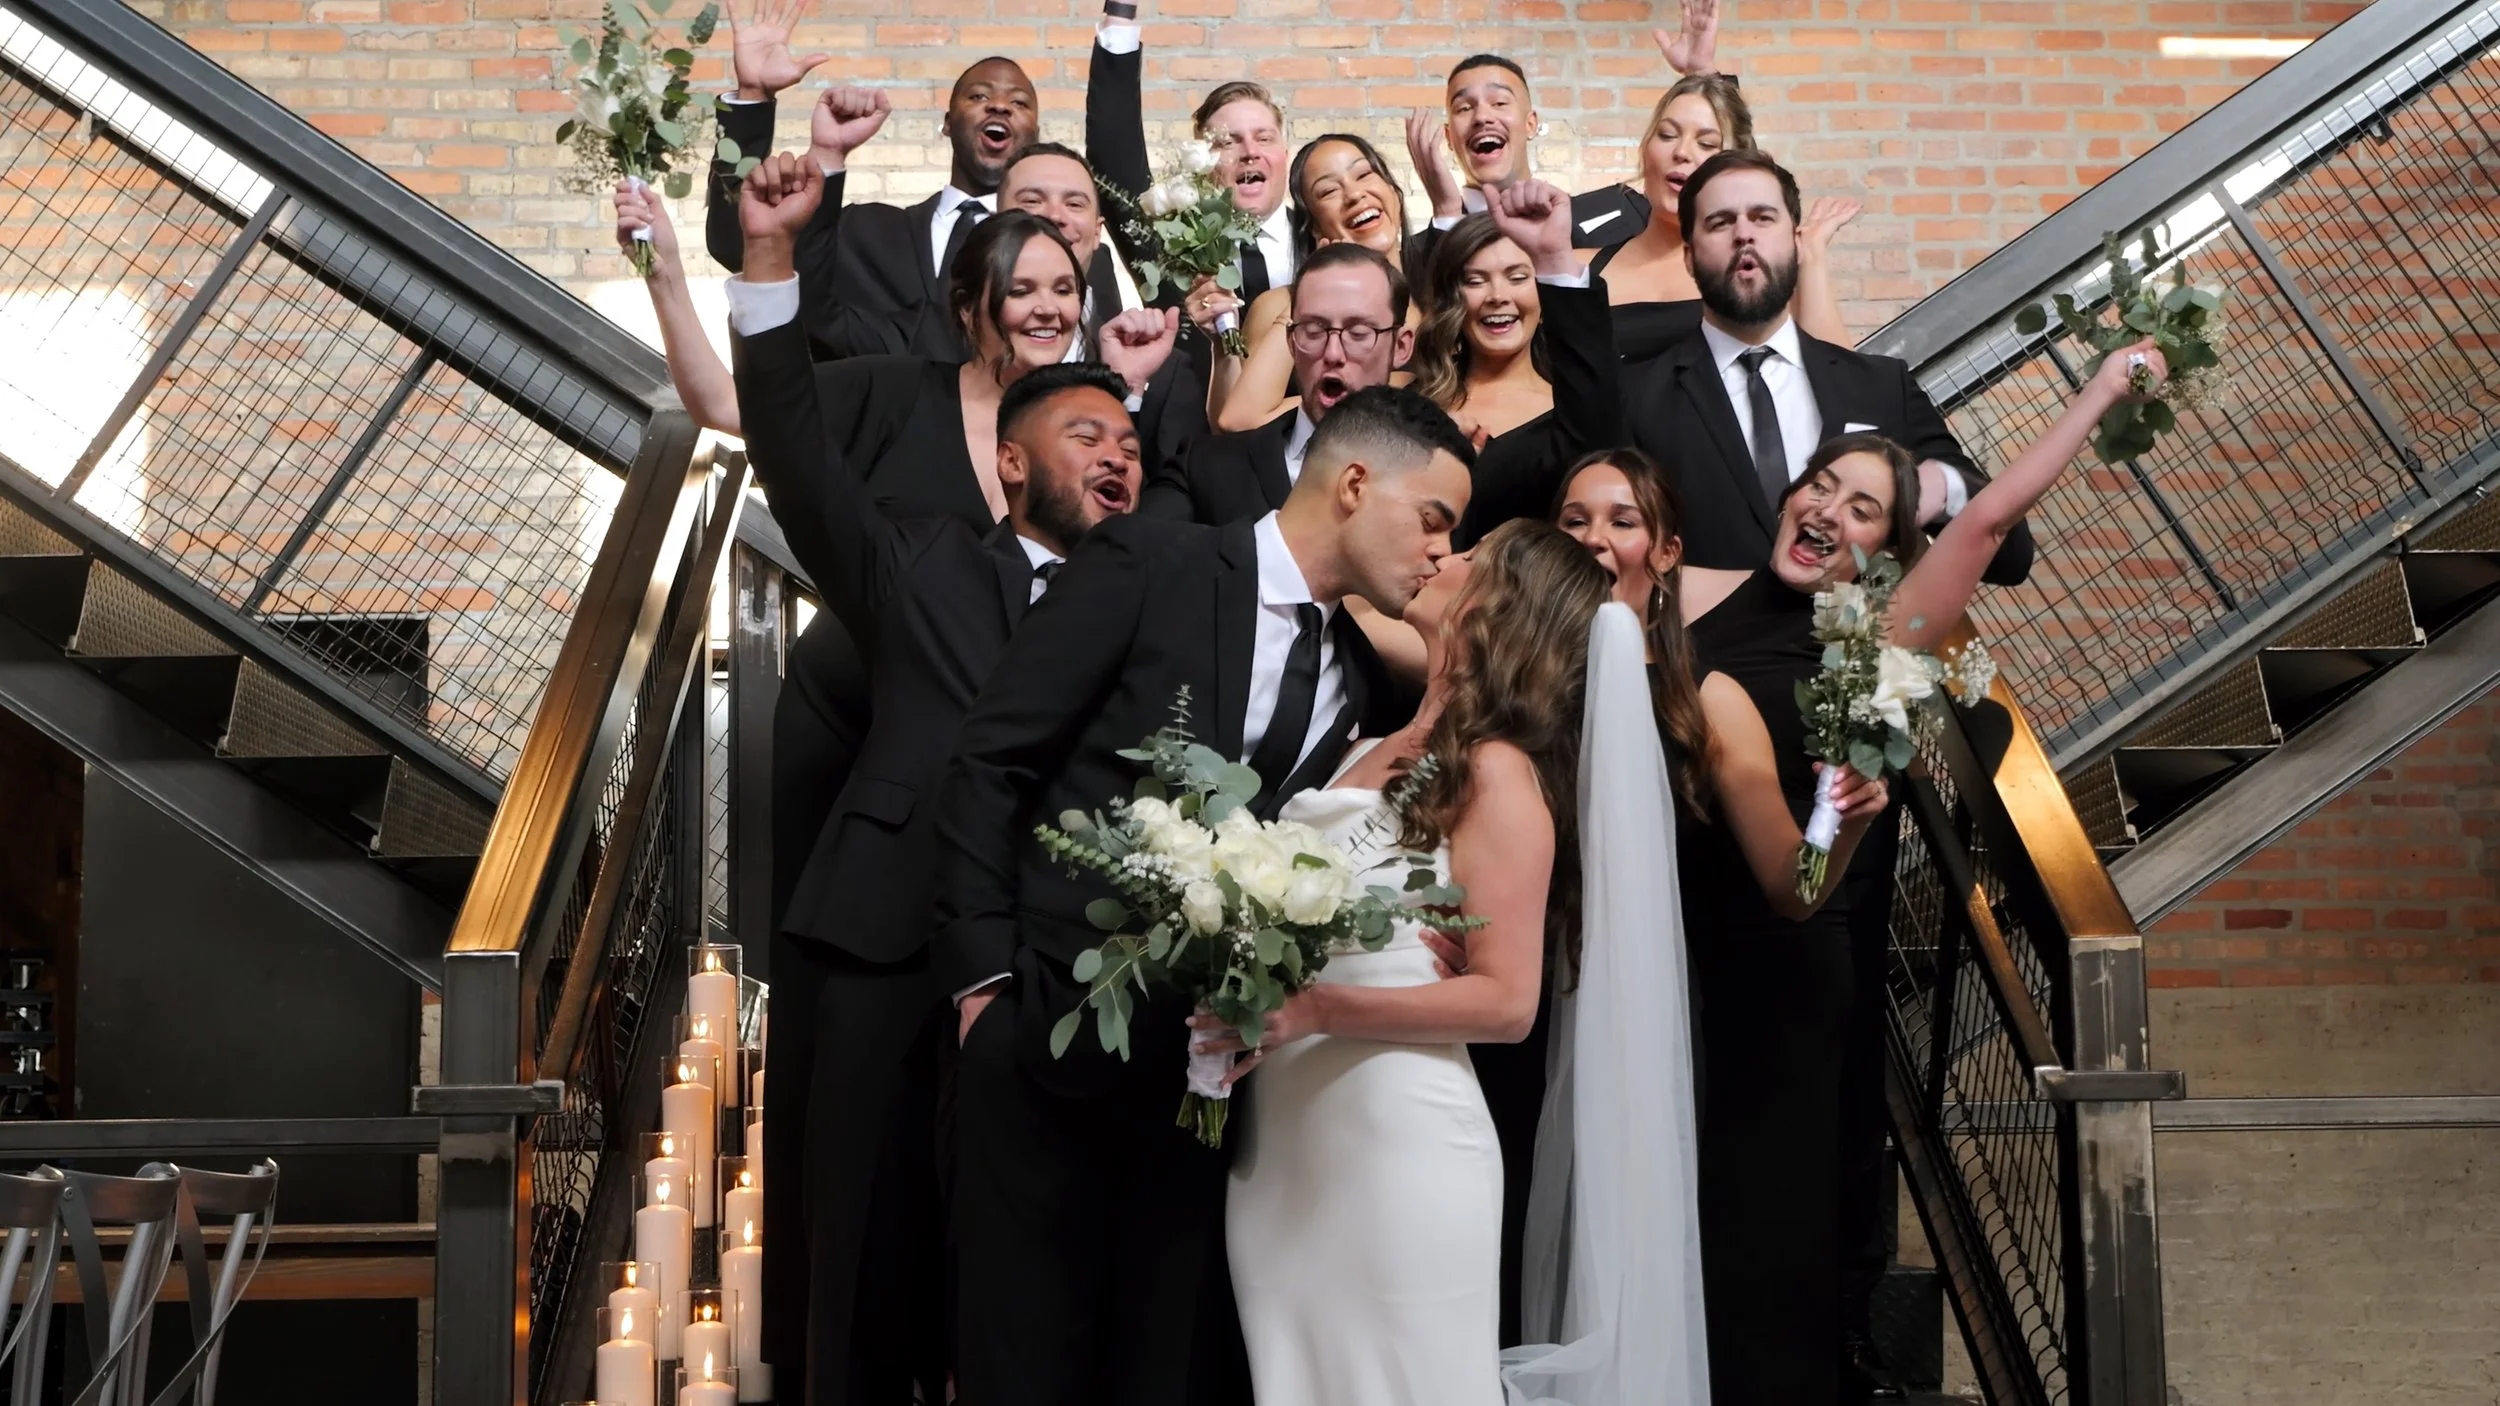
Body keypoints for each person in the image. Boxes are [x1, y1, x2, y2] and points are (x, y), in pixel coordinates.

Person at [723, 151, 1181, 1399]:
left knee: (1019, 1261)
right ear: (1012, 467)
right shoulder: (918, 566)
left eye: (1128, 439)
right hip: (881, 936)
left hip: (1049, 964)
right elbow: (791, 443)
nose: (1116, 454)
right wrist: (769, 256)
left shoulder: (1153, 603)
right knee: (864, 1241)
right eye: (1083, 433)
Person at [931, 385, 1476, 1406]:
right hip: (1046, 1028)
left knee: (1156, 1367)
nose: (1440, 551)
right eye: (1433, 518)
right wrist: (985, 984)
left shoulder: (1355, 671)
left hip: (1200, 1081)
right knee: (1021, 1361)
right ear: (1355, 482)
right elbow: (990, 758)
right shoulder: (1153, 560)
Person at [1194, 520, 1606, 1404]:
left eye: (1468, 557)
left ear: (1501, 606)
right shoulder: (1365, 742)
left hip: (1400, 1150)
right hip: (1286, 1147)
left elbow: (1508, 1003)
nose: (1441, 557)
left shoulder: (1498, 772)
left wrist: (1317, 1010)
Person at [1626, 149, 2035, 585]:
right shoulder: (1636, 397)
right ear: (1688, 257)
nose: (1744, 234)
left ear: (1796, 240)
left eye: (1763, 218)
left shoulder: (1881, 387)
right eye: (1721, 222)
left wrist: (1938, 487)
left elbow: (2009, 557)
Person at [1393, 184, 1620, 545]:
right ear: (1452, 301)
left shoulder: (1574, 415)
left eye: (1517, 278)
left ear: (1543, 293)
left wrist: (1555, 256)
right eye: (1474, 281)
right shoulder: (1409, 407)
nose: (1498, 296)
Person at [1581, 78, 1861, 361]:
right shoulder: (1578, 268)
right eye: (1667, 135)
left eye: (1706, 143)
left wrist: (1810, 257)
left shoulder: (1756, 272)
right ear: (1645, 148)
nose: (1682, 152)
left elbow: (1840, 386)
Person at [1143, 243, 1414, 525]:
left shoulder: (1438, 465)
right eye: (1313, 330)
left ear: (1401, 346)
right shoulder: (1206, 467)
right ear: (1291, 342)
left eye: (1359, 333)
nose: (1333, 353)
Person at [1195, 132, 1419, 433]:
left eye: (1364, 174)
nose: (1354, 195)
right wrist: (1313, 289)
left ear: (1393, 190)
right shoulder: (1277, 306)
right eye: (1328, 191)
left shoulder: (1438, 284)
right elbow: (1234, 423)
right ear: (1314, 228)